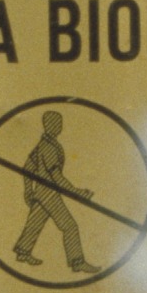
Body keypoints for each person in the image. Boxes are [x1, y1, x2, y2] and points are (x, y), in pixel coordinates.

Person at [13, 111, 96, 272]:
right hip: (49, 193)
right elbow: (56, 177)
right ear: (48, 125)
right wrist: (77, 192)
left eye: (60, 123)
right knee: (70, 226)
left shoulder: (42, 144)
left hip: (41, 192)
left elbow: (27, 168)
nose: (59, 126)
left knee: (35, 222)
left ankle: (22, 252)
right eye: (57, 123)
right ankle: (77, 262)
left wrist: (29, 190)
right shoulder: (49, 147)